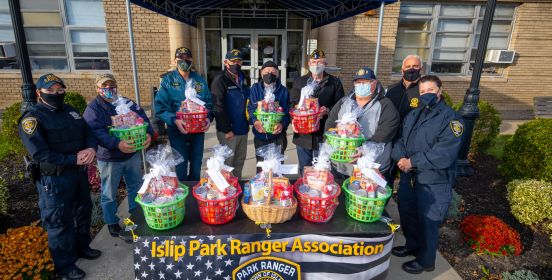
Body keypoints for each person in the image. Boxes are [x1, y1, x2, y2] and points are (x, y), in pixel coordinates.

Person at [19, 74, 101, 280]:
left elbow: (88, 132)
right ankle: (65, 267)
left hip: (78, 174)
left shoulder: (71, 111)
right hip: (54, 179)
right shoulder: (32, 118)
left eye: (60, 89)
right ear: (39, 93)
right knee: (59, 222)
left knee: (83, 211)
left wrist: (91, 149)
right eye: (51, 90)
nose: (57, 94)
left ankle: (83, 248)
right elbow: (40, 153)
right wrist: (74, 159)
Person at [391, 75, 464, 274]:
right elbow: (400, 139)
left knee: (428, 221)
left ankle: (426, 261)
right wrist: (400, 159)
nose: (426, 94)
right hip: (410, 177)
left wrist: (413, 162)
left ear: (440, 91)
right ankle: (412, 246)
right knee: (408, 214)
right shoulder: (415, 113)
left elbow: (444, 153)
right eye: (422, 91)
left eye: (430, 90)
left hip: (433, 181)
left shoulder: (452, 119)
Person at [83, 73, 153, 239]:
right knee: (109, 191)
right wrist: (117, 144)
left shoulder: (126, 102)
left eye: (111, 85)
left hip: (132, 154)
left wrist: (149, 134)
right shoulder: (93, 108)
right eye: (104, 86)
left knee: (135, 186)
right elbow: (96, 132)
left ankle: (136, 215)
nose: (108, 89)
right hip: (110, 158)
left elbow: (143, 119)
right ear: (97, 88)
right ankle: (111, 221)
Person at [325, 67, 400, 179]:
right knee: (340, 194)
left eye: (365, 82)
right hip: (341, 166)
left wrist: (364, 149)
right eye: (358, 82)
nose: (361, 85)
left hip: (370, 168)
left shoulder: (385, 105)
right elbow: (330, 124)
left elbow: (386, 132)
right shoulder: (344, 102)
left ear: (374, 83)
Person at [155, 47, 213, 181]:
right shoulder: (168, 81)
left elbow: (209, 103)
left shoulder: (199, 80)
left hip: (197, 130)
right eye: (180, 58)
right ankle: (182, 193)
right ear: (175, 61)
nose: (184, 61)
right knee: (180, 163)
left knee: (196, 163)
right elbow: (160, 106)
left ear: (192, 60)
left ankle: (194, 191)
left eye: (187, 59)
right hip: (177, 129)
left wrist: (208, 118)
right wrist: (174, 120)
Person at [290, 49, 344, 174]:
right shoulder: (300, 82)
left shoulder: (334, 82)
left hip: (324, 133)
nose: (316, 65)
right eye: (313, 62)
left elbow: (341, 105)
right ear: (309, 64)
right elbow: (292, 103)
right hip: (303, 136)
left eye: (320, 62)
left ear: (325, 64)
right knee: (305, 169)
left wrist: (328, 110)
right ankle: (304, 192)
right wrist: (300, 107)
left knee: (323, 168)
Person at [384, 54, 423, 187]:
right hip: (391, 140)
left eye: (415, 66)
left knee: (408, 183)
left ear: (421, 69)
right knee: (386, 178)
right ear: (402, 69)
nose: (411, 69)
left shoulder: (423, 91)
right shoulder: (392, 89)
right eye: (408, 66)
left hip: (411, 143)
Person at [211, 49, 250, 179]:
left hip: (242, 129)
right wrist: (227, 129)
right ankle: (227, 192)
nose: (236, 64)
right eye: (233, 61)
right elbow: (218, 107)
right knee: (227, 165)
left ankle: (237, 188)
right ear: (226, 62)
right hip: (229, 132)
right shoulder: (220, 80)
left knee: (239, 162)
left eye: (239, 61)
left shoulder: (243, 78)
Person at [247, 60, 290, 163]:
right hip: (260, 135)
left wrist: (282, 124)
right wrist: (255, 121)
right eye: (266, 73)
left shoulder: (283, 90)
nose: (269, 75)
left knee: (277, 167)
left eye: (273, 73)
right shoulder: (255, 89)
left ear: (278, 74)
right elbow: (250, 108)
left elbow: (288, 112)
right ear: (261, 74)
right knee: (261, 167)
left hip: (278, 136)